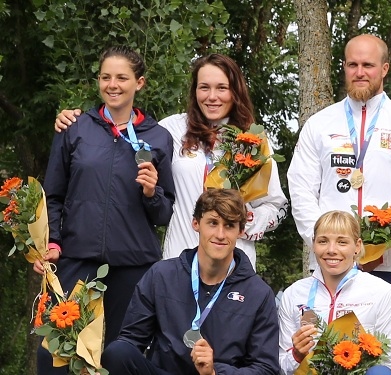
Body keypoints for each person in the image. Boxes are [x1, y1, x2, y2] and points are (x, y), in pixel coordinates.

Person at [55, 53, 288, 268]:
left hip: (234, 262)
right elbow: (119, 134)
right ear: (194, 91)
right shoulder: (172, 129)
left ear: (235, 91)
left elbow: (277, 207)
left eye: (222, 88)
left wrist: (241, 222)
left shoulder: (252, 141)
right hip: (179, 260)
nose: (212, 97)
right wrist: (76, 119)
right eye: (204, 87)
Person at [34, 46, 175, 374]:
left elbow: (165, 213)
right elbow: (51, 195)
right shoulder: (75, 128)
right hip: (77, 261)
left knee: (116, 357)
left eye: (122, 78)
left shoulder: (158, 138)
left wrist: (153, 192)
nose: (113, 84)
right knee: (55, 354)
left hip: (134, 267)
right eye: (105, 77)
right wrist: (53, 243)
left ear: (139, 83)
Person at [287, 34, 391, 313]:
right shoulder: (319, 124)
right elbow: (300, 190)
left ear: (384, 69)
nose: (359, 72)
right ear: (344, 67)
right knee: (324, 352)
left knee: (381, 353)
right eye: (352, 64)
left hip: (389, 265)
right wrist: (326, 247)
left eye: (368, 65)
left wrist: (387, 250)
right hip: (328, 265)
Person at [101, 188, 279, 375]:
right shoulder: (161, 275)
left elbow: (265, 369)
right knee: (116, 353)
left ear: (241, 231)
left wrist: (215, 372)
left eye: (229, 225)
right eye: (212, 222)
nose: (220, 234)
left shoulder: (258, 294)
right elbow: (131, 341)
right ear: (196, 223)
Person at [278, 210, 391, 374]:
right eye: (323, 241)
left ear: (357, 246)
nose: (331, 250)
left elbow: (390, 364)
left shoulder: (383, 292)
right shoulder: (293, 294)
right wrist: (296, 355)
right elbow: (281, 366)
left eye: (342, 242)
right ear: (313, 245)